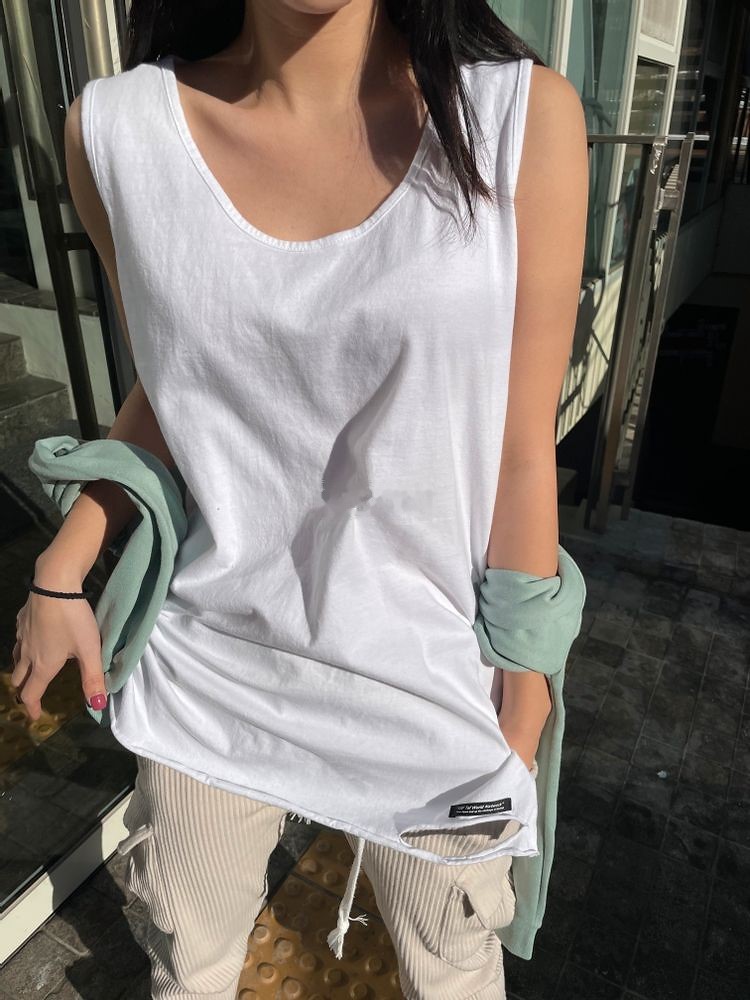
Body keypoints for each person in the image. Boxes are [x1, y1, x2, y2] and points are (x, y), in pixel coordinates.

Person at [12, 1, 589, 997]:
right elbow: (176, 387)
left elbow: (522, 445)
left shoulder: (519, 120)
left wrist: (526, 690)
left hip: (433, 682)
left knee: (454, 974)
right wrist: (62, 568)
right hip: (213, 671)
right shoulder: (114, 132)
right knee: (188, 969)